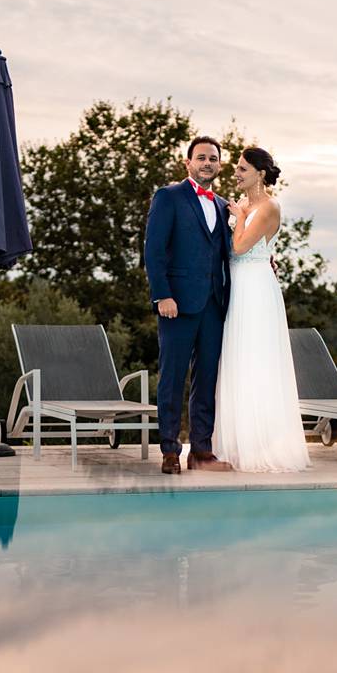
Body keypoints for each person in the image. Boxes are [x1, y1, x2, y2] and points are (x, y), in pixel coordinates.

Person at [213, 147, 310, 472]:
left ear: (260, 173)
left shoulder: (268, 207)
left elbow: (239, 246)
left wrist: (239, 217)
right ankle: (236, 443)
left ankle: (260, 446)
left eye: (242, 169)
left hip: (254, 287)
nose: (236, 173)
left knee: (256, 360)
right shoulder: (244, 205)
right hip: (236, 283)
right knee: (236, 358)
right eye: (237, 168)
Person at [144, 137, 232, 475]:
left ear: (219, 165)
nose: (207, 163)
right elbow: (154, 250)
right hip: (176, 303)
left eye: (213, 158)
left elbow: (229, 253)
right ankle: (169, 449)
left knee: (206, 378)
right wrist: (162, 295)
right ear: (188, 163)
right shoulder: (169, 197)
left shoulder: (224, 206)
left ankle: (201, 449)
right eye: (201, 158)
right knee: (172, 376)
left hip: (214, 304)